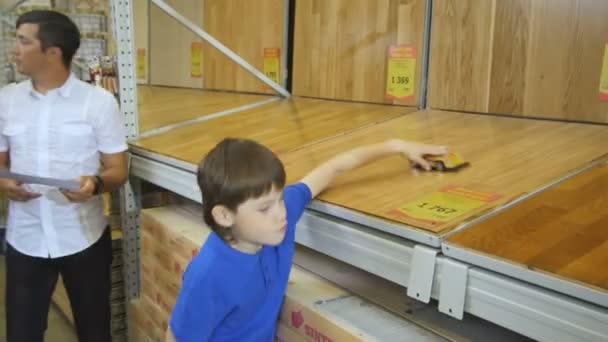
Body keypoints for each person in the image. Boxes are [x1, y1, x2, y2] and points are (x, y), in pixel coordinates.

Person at [167, 137, 447, 341]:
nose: (281, 214)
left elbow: (333, 168)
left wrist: (396, 146)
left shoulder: (272, 223)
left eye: (279, 199)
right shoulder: (209, 275)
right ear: (225, 216)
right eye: (265, 208)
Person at [0, 10, 128, 342]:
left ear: (53, 52)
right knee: (21, 334)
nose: (15, 49)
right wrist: (3, 182)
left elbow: (118, 169)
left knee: (95, 331)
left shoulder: (99, 103)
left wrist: (96, 184)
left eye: (24, 41)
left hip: (83, 237)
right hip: (25, 238)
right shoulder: (6, 101)